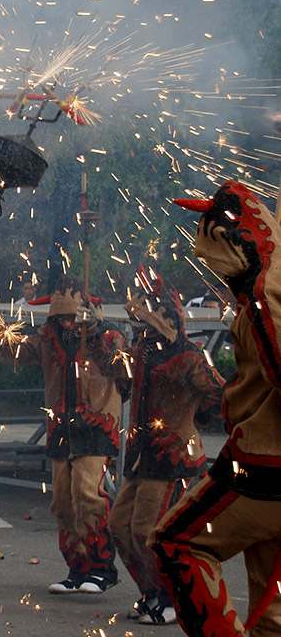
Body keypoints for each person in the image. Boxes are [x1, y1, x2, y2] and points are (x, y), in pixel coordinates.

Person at [150, 181, 281, 636]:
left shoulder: (267, 291)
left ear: (235, 240)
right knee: (273, 609)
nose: (212, 272)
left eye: (212, 257)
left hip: (265, 464)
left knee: (175, 543)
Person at [111, 268, 222, 625]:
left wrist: (193, 420)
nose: (139, 325)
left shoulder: (189, 355)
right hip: (140, 458)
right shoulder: (141, 351)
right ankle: (152, 592)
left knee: (148, 532)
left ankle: (174, 598)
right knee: (119, 526)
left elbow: (219, 393)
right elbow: (123, 384)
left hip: (172, 459)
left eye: (145, 318)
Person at [7, 274, 129, 594]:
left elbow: (122, 365)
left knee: (88, 496)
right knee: (62, 502)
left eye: (71, 317)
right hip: (61, 428)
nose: (66, 323)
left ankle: (102, 569)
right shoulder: (47, 337)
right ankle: (77, 569)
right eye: (60, 317)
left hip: (96, 426)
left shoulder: (107, 336)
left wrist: (98, 330)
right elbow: (15, 350)